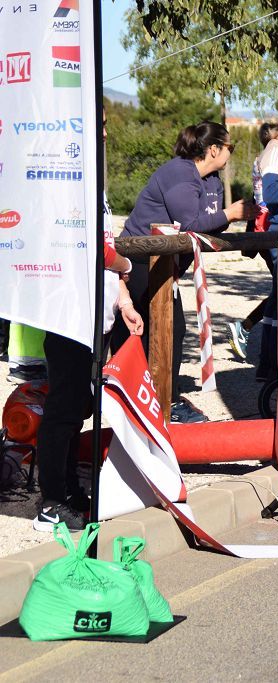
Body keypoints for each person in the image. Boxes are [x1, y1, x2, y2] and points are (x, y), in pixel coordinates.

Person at [34, 111, 145, 531]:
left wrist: (123, 297)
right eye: (93, 124)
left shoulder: (92, 173)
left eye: (102, 125)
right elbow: (96, 249)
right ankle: (51, 502)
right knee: (63, 405)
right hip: (67, 308)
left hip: (94, 311)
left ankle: (68, 489)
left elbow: (105, 250)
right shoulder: (67, 176)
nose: (102, 131)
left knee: (79, 401)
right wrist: (127, 265)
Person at [111, 122, 257, 424]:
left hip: (164, 262)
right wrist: (230, 213)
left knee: (159, 329)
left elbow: (212, 223)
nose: (231, 153)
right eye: (230, 147)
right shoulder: (179, 172)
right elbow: (191, 221)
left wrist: (226, 217)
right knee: (158, 329)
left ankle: (149, 395)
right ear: (213, 149)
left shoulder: (211, 179)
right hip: (139, 259)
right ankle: (161, 399)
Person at [226, 122, 278, 361]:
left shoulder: (264, 155)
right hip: (270, 228)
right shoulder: (273, 151)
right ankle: (246, 329)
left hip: (263, 227)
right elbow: (270, 194)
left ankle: (247, 328)